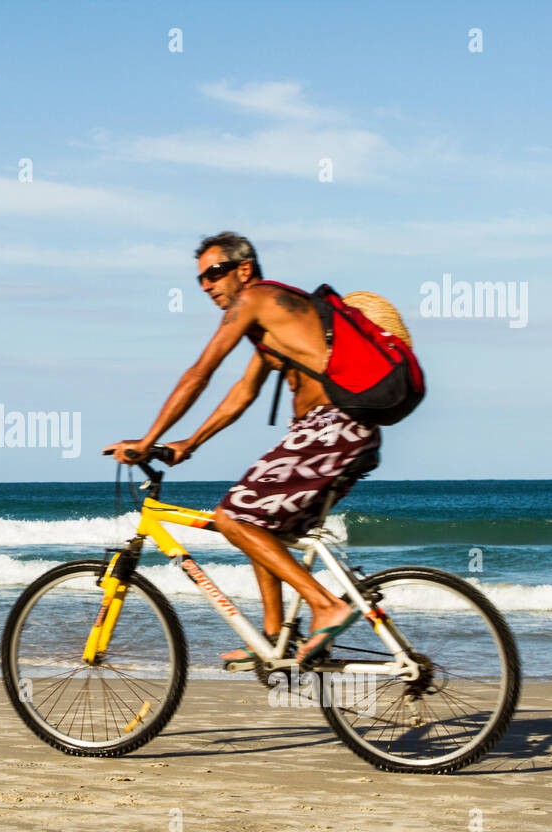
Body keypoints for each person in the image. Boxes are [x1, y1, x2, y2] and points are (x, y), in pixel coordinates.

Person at [103, 232, 381, 668]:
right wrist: (187, 444)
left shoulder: (254, 299)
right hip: (342, 432)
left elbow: (200, 373)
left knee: (232, 517)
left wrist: (143, 440)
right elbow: (242, 393)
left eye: (214, 273)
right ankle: (274, 637)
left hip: (332, 426)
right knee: (258, 523)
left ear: (243, 270)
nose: (207, 285)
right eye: (199, 279)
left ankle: (325, 606)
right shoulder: (274, 327)